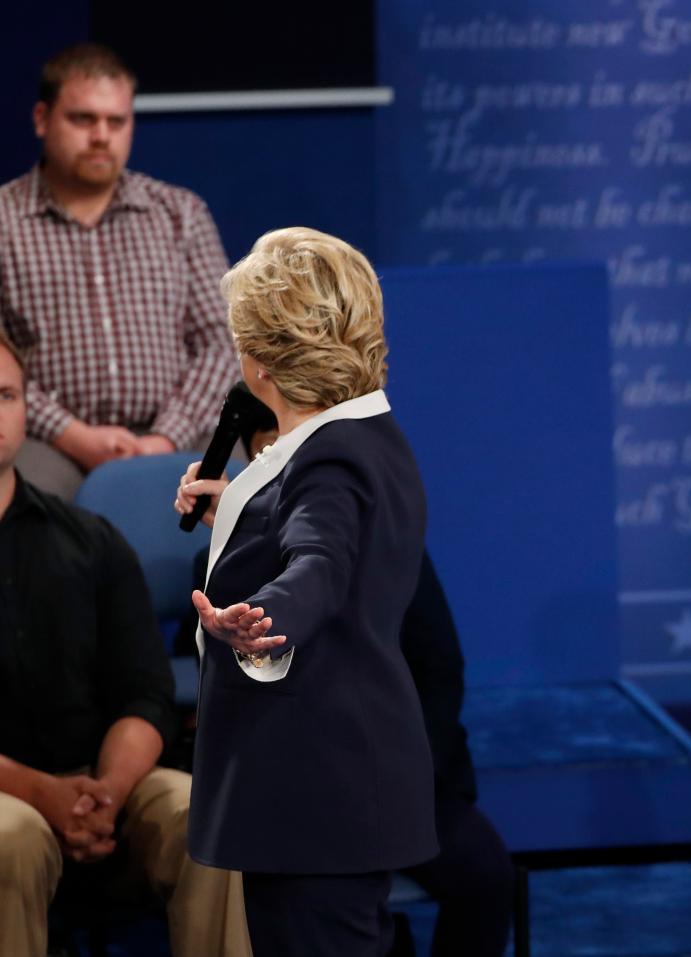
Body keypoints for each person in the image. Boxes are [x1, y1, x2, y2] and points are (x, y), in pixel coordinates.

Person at [175, 389, 516, 955]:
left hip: (403, 771)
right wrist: (239, 528)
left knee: (483, 878)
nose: (282, 471)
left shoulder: (364, 513)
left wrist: (409, 771)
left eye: (286, 456)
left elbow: (436, 662)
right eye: (267, 459)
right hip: (297, 788)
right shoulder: (222, 558)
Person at [176, 226, 437, 955]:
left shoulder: (327, 462)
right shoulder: (366, 437)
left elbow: (318, 566)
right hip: (339, 790)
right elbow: (319, 536)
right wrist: (239, 506)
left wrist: (262, 618)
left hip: (314, 794)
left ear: (259, 361)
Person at [0, 330, 248, 957]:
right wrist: (45, 795)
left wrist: (106, 792)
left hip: (101, 783)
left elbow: (145, 693)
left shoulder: (90, 542)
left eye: (4, 395)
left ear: (25, 407)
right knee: (13, 838)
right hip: (11, 802)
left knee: (207, 815)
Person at [0, 43, 237, 500]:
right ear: (41, 119)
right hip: (48, 442)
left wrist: (166, 436)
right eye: (83, 119)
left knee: (250, 497)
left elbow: (221, 342)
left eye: (117, 121)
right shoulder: (5, 221)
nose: (101, 136)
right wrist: (73, 435)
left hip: (179, 433)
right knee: (27, 507)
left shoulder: (179, 213)